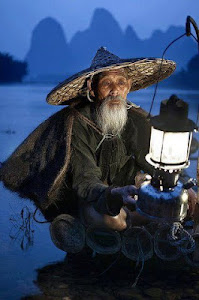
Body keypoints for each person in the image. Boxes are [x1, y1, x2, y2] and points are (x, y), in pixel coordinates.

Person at [0, 47, 197, 253]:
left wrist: (183, 185)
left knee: (191, 198)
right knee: (113, 221)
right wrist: (114, 194)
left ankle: (153, 225)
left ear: (128, 87)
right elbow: (86, 181)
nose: (115, 90)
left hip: (131, 196)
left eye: (121, 83)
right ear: (92, 89)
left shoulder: (135, 119)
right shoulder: (77, 124)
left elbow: (158, 161)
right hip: (96, 202)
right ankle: (138, 229)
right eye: (106, 84)